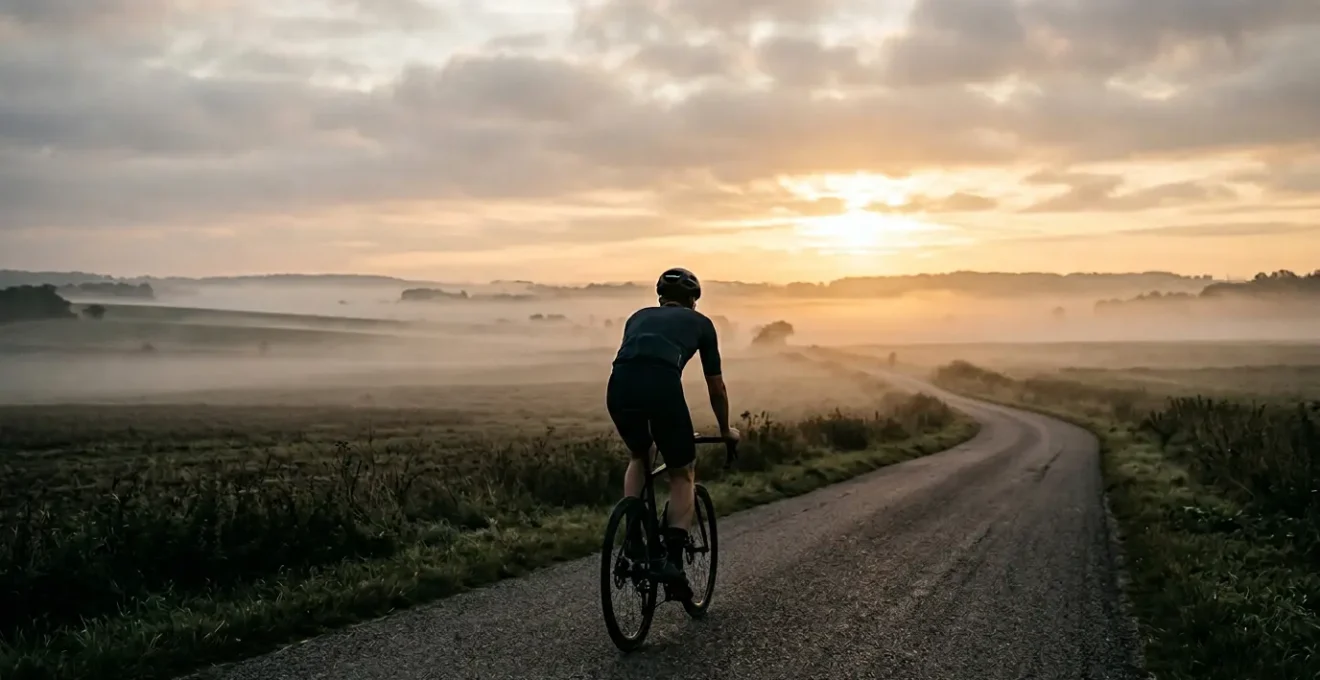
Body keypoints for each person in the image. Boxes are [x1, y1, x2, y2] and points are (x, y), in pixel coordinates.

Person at [606, 267, 739, 600]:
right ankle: (673, 562)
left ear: (660, 297)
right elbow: (717, 388)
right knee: (682, 473)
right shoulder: (702, 324)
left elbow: (636, 361)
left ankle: (633, 536)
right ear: (693, 299)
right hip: (662, 388)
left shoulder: (637, 317)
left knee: (640, 453)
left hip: (619, 386)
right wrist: (726, 430)